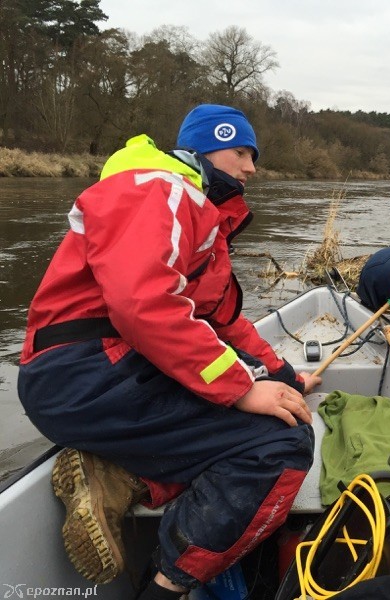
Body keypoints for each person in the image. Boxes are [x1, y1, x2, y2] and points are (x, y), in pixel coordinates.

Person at [17, 104, 321, 599]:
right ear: (208, 147)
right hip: (85, 375)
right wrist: (242, 388)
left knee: (275, 413)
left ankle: (120, 476)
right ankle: (163, 588)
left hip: (100, 374)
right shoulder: (161, 190)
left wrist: (282, 374)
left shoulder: (198, 216)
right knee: (279, 444)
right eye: (242, 152)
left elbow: (220, 321)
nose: (252, 168)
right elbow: (143, 304)